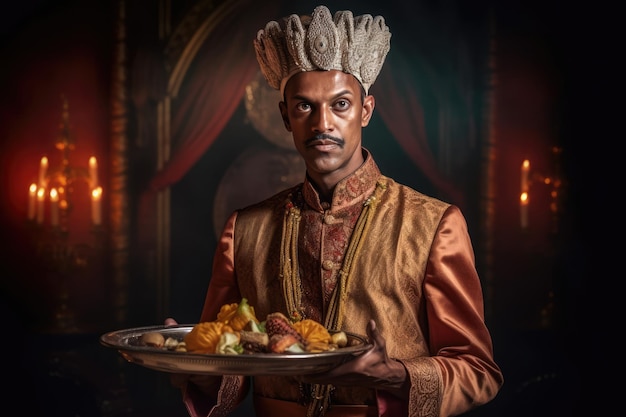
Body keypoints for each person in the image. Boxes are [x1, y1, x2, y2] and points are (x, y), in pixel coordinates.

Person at [166, 5, 503, 417]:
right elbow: (231, 359)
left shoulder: (431, 225)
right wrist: (195, 366)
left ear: (366, 111)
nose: (322, 123)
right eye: (305, 106)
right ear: (286, 116)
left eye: (340, 105)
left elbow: (477, 371)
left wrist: (393, 375)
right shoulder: (245, 230)